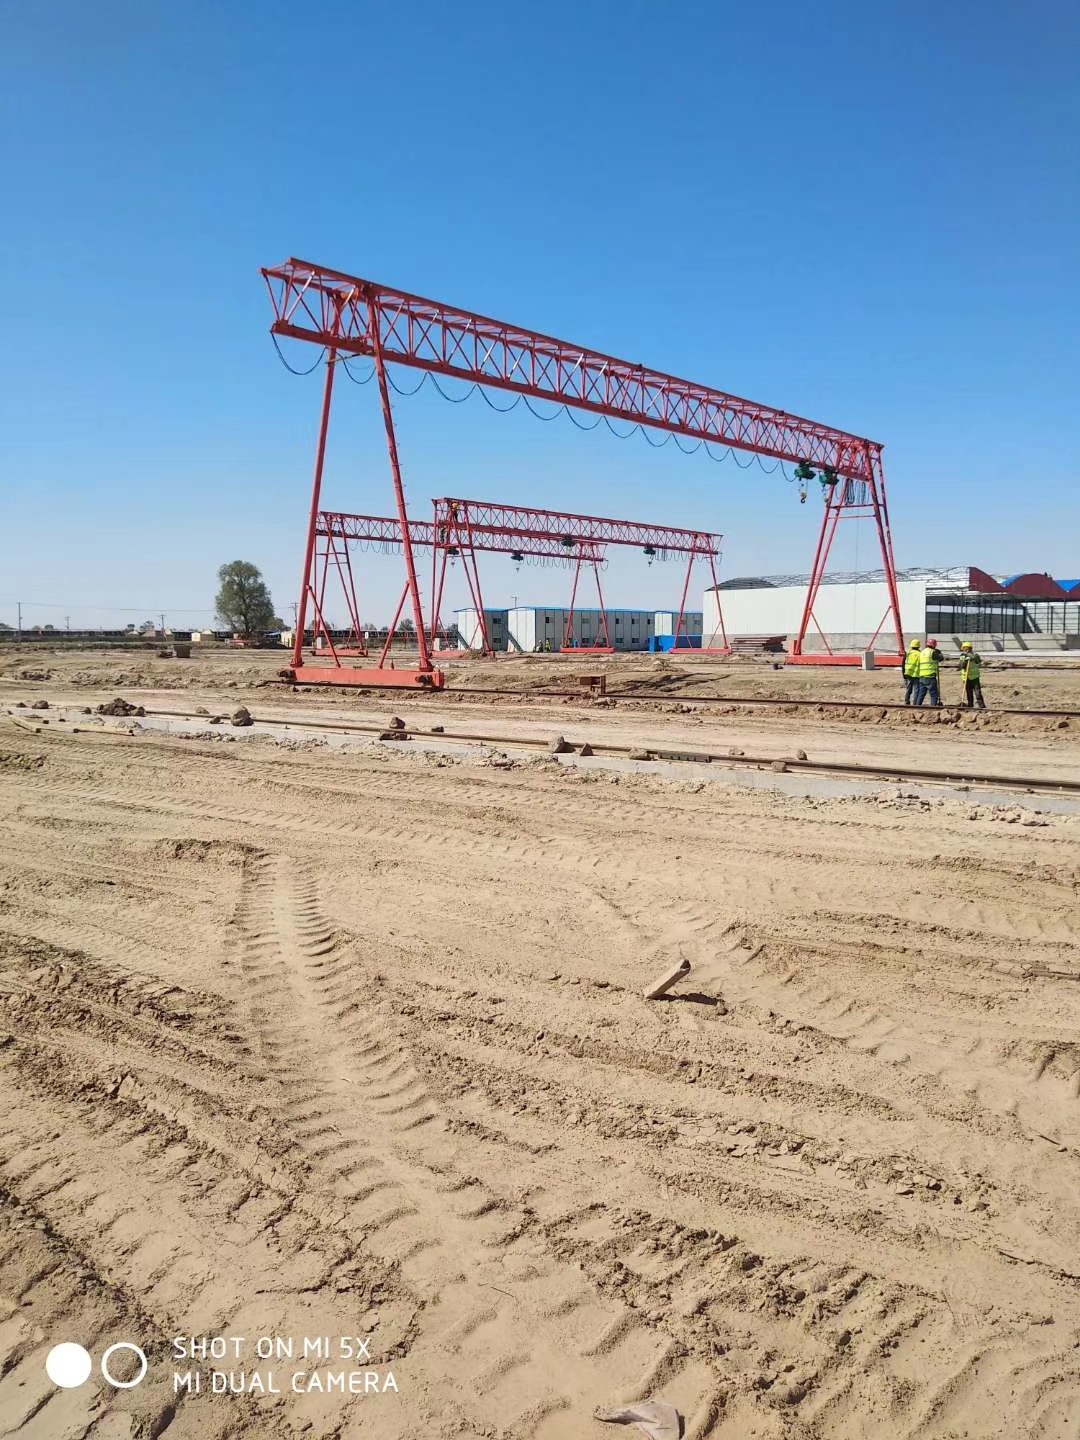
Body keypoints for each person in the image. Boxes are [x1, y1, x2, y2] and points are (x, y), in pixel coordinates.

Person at [915, 637, 944, 707]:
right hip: (930, 676)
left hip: (922, 676)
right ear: (934, 645)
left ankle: (917, 706)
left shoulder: (922, 652)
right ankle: (933, 707)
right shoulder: (932, 652)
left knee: (921, 694)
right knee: (934, 694)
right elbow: (941, 658)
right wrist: (939, 652)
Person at [958, 641, 986, 709]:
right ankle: (970, 705)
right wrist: (964, 661)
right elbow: (961, 666)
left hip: (974, 677)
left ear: (969, 648)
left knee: (977, 692)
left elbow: (978, 661)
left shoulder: (975, 655)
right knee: (969, 692)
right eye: (964, 648)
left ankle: (981, 706)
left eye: (965, 648)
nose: (965, 650)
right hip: (966, 677)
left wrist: (971, 657)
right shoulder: (963, 656)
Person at [903, 639, 922, 705]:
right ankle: (915, 703)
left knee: (908, 688)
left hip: (908, 673)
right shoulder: (920, 654)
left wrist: (904, 674)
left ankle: (906, 701)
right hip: (916, 673)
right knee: (916, 689)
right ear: (919, 646)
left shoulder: (908, 653)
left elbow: (903, 663)